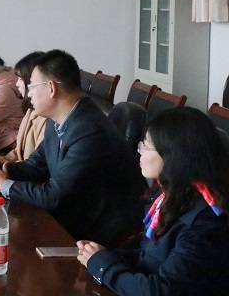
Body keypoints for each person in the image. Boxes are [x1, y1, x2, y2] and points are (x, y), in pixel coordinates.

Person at [0, 49, 146, 247]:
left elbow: (54, 196)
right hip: (74, 216)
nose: (29, 94)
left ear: (51, 88)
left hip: (99, 234)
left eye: (32, 86)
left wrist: (3, 185)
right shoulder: (58, 120)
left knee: (13, 243)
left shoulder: (89, 130)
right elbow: (36, 165)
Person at [77, 107, 229, 295]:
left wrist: (104, 266)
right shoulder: (169, 196)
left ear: (174, 155)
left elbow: (159, 291)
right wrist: (102, 256)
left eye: (147, 146)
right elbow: (149, 260)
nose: (139, 151)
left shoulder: (204, 223)